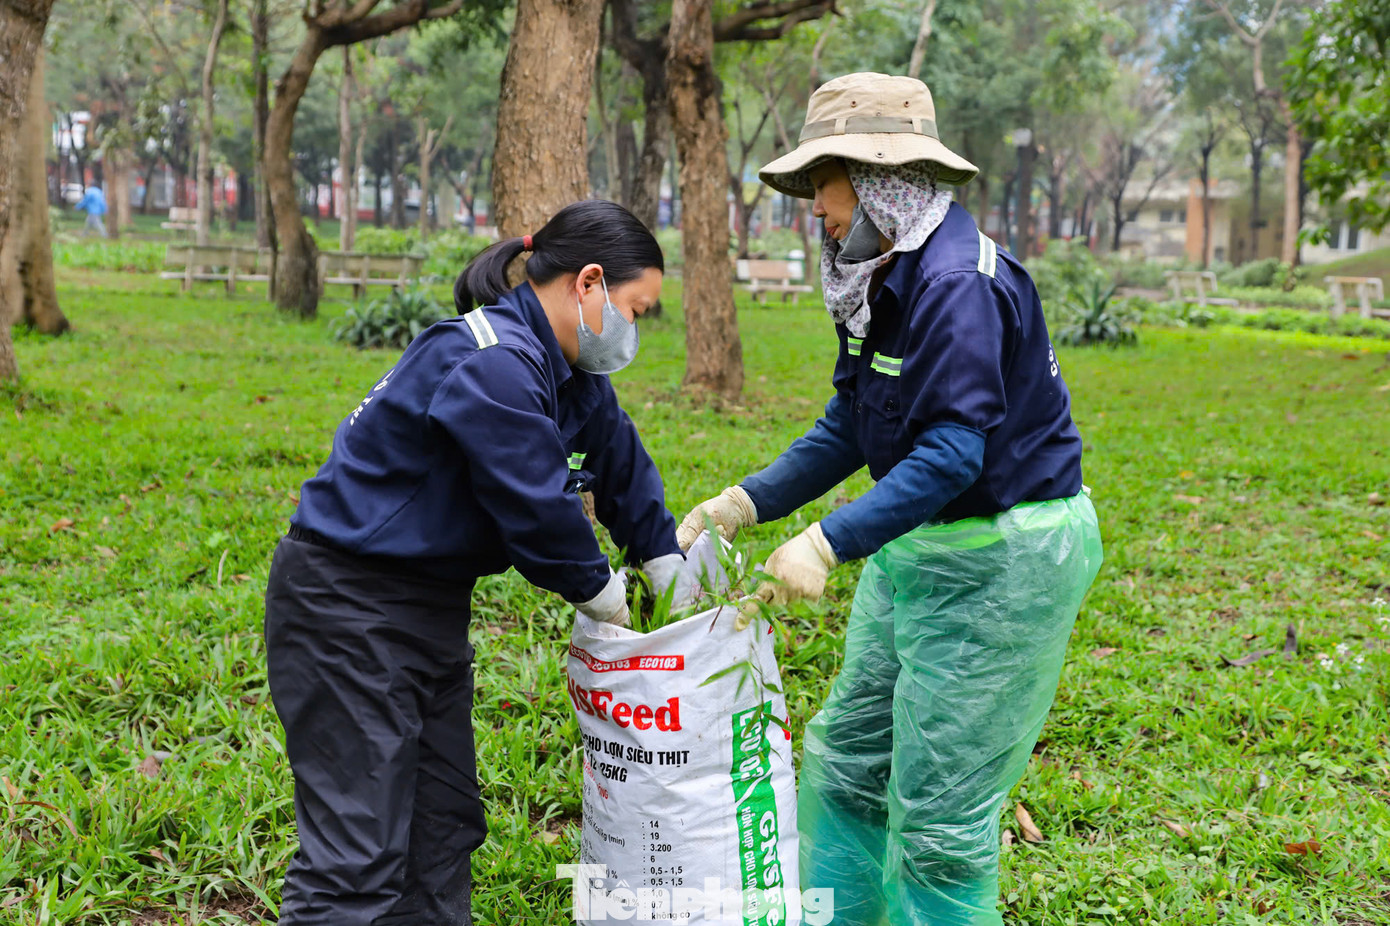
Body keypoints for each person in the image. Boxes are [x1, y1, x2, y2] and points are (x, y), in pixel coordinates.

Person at [676, 73, 1104, 925]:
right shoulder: (880, 272)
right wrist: (747, 503)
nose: (817, 210)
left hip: (1001, 559)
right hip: (925, 542)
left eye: (824, 185)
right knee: (851, 763)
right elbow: (853, 422)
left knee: (941, 812)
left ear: (877, 180)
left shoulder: (954, 285)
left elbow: (952, 452)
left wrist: (828, 542)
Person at [264, 200, 690, 925]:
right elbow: (536, 505)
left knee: (442, 827)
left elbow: (622, 463)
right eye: (635, 310)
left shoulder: (567, 374)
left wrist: (664, 558)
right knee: (357, 857)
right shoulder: (490, 360)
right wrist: (607, 598)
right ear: (589, 283)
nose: (633, 329)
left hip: (429, 609)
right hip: (345, 608)